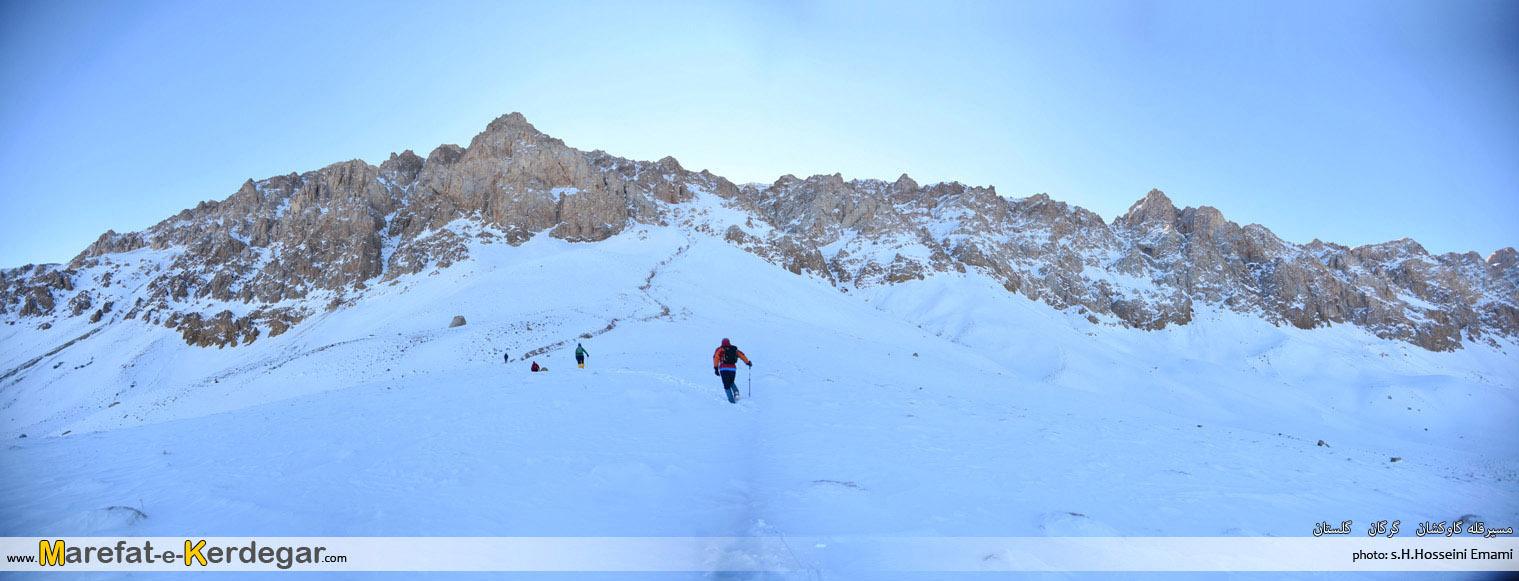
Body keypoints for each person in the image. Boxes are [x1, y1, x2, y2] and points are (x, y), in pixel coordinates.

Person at [711, 338, 751, 404]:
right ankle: (735, 390)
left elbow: (716, 358)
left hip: (723, 368)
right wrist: (747, 363)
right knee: (731, 381)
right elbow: (742, 356)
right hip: (733, 369)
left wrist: (716, 368)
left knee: (726, 385)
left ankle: (731, 400)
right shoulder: (734, 349)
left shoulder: (720, 349)